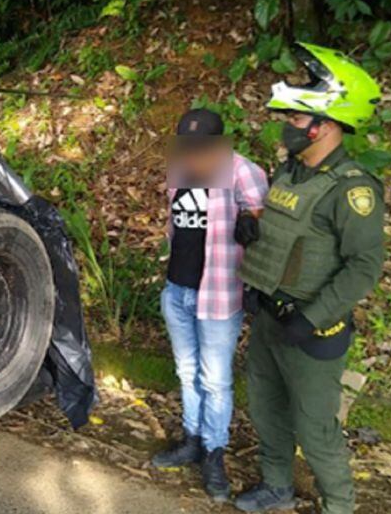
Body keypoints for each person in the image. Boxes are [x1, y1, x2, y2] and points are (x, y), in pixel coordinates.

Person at [234, 43, 386, 514]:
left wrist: (313, 317)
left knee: (316, 429)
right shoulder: (291, 171)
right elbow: (288, 234)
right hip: (269, 318)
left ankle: (339, 505)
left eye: (297, 121)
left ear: (326, 125)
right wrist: (252, 230)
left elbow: (364, 267)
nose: (288, 128)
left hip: (312, 331)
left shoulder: (353, 189)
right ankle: (276, 487)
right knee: (267, 411)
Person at [151, 108, 268, 502]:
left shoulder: (242, 172)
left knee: (215, 379)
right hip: (178, 289)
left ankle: (214, 453)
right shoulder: (179, 171)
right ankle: (192, 439)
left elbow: (264, 224)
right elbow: (175, 224)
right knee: (187, 372)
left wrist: (252, 224)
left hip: (219, 292)